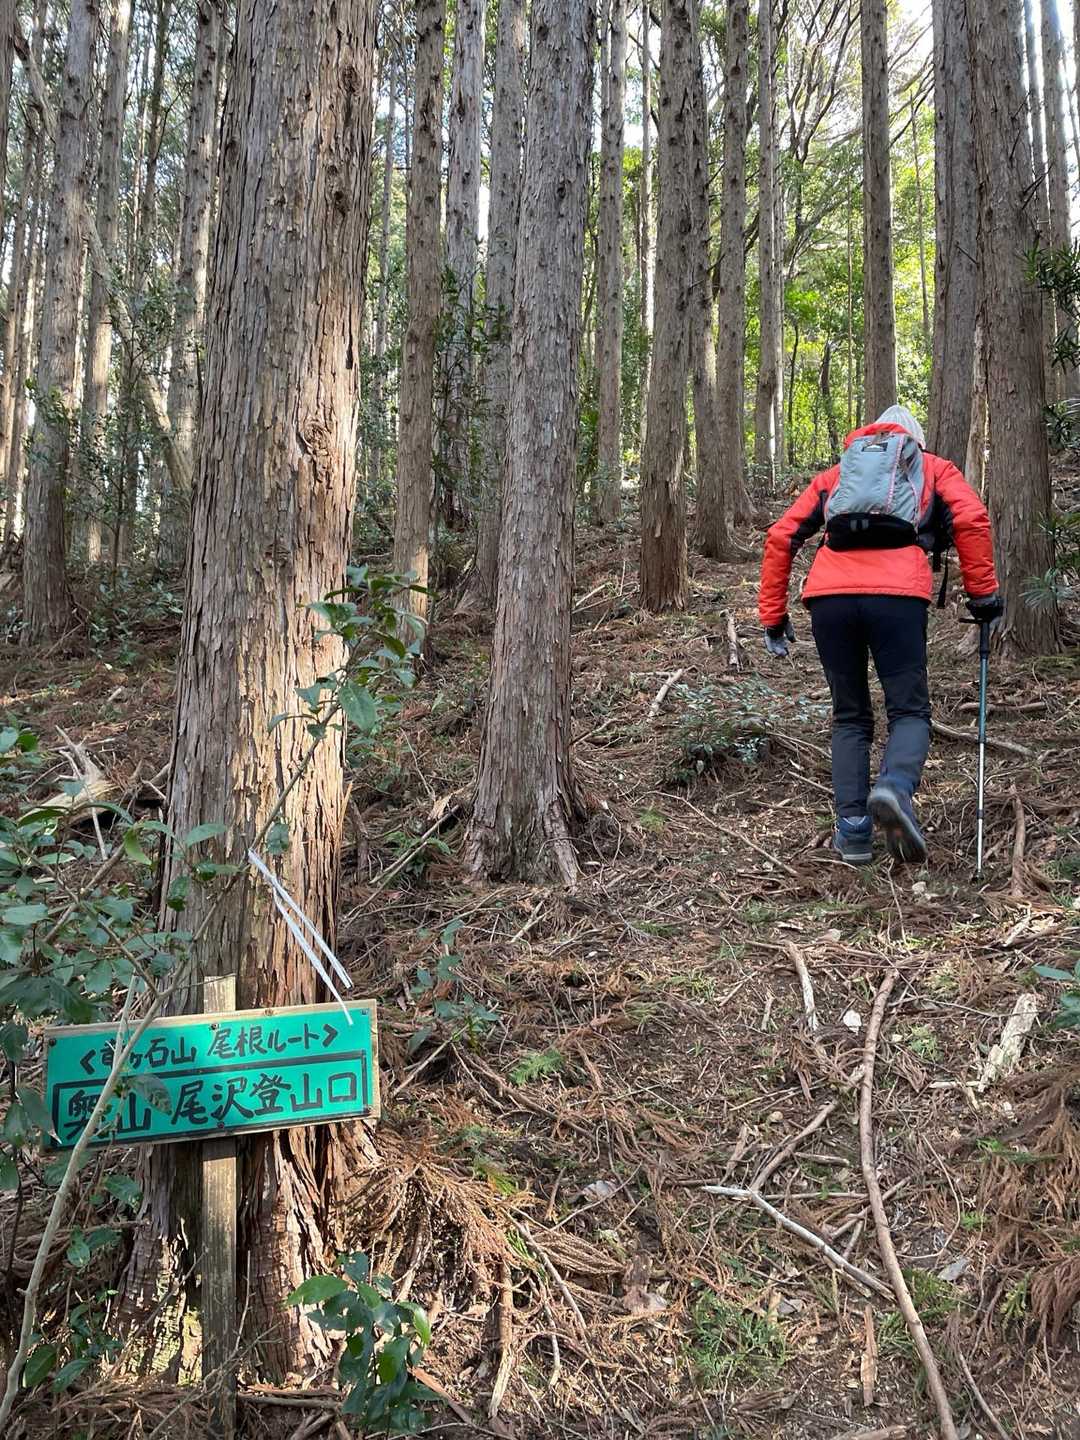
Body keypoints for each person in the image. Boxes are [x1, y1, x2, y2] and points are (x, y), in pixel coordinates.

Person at [757, 405, 1003, 866]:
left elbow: (781, 536)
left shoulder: (836, 476)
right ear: (913, 444)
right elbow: (971, 519)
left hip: (829, 599)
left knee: (849, 715)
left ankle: (853, 831)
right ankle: (893, 788)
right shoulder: (933, 468)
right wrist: (983, 595)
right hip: (898, 597)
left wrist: (772, 614)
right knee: (909, 709)